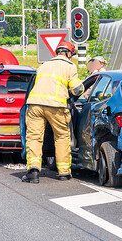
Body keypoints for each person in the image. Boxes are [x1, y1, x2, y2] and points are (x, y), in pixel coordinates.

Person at [22, 40, 84, 184]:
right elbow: (76, 89)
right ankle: (63, 172)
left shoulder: (44, 65)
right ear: (69, 53)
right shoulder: (69, 66)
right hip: (56, 106)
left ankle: (33, 171)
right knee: (61, 137)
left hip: (35, 104)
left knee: (34, 138)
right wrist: (81, 87)